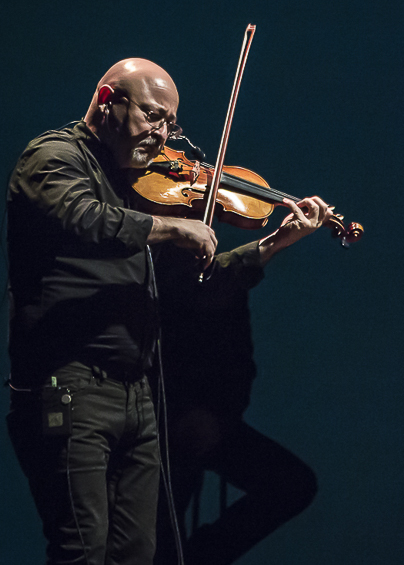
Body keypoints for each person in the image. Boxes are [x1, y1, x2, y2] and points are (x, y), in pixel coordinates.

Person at [6, 58, 216, 565]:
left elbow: (180, 280)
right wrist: (169, 228)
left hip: (134, 394)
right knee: (82, 551)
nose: (163, 135)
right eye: (152, 115)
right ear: (107, 100)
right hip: (71, 386)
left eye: (171, 123)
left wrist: (270, 245)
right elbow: (86, 220)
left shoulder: (133, 182)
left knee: (136, 554)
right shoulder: (53, 157)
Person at [151, 196, 332, 565]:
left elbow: (240, 365)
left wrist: (217, 418)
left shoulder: (220, 279)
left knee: (292, 484)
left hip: (208, 422)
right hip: (152, 422)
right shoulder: (150, 272)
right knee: (157, 532)